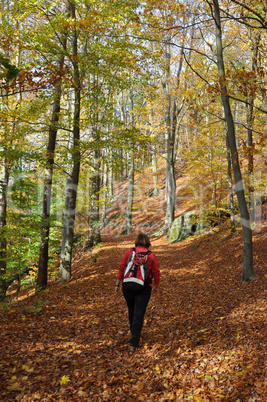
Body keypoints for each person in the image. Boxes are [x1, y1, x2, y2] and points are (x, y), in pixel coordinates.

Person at [115, 233, 160, 352]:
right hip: (144, 287)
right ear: (147, 242)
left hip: (127, 285)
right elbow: (156, 272)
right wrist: (156, 286)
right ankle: (134, 342)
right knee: (139, 313)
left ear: (137, 242)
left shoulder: (129, 252)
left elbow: (121, 266)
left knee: (131, 310)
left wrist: (117, 283)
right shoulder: (151, 256)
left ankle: (133, 336)